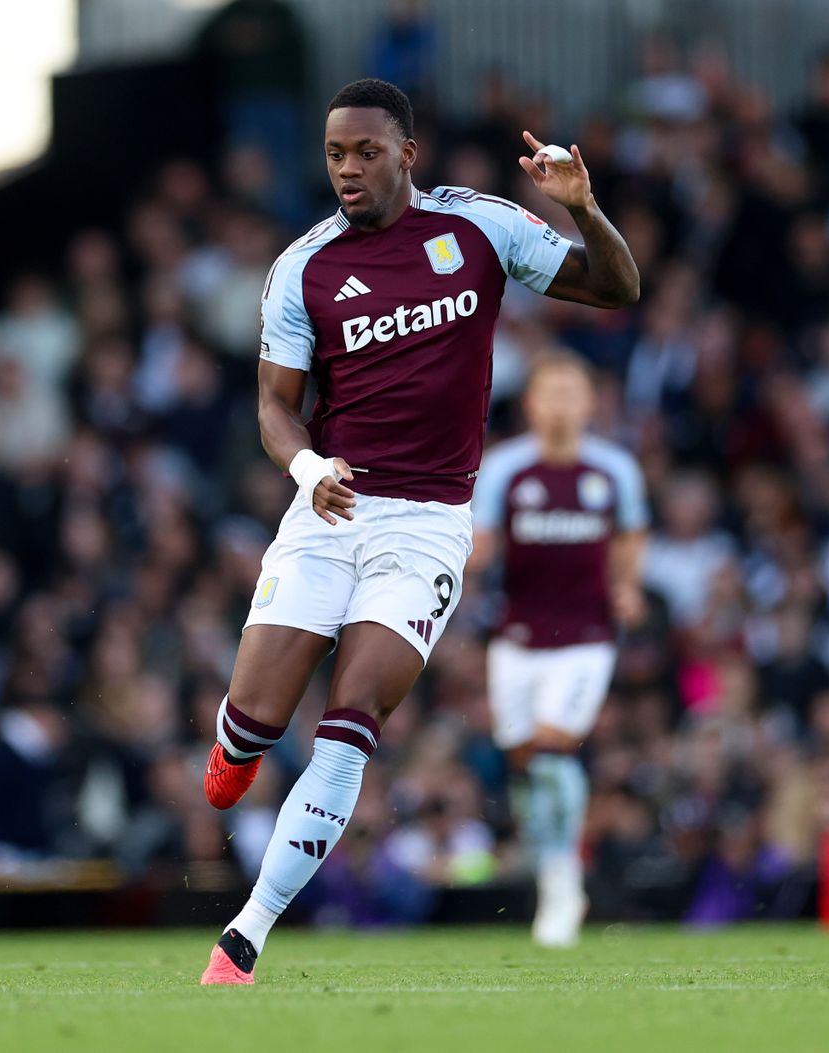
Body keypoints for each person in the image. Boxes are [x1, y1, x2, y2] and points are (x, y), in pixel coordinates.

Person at [198, 78, 639, 985]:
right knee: (254, 725)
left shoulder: (478, 229)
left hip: (429, 525)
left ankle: (245, 935)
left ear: (407, 153)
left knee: (348, 723)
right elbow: (276, 410)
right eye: (333, 155)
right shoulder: (303, 268)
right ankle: (236, 747)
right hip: (329, 510)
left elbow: (618, 287)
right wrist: (308, 468)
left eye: (364, 152)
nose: (347, 170)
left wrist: (583, 208)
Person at [470, 354, 647, 948]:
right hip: (517, 637)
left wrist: (626, 586)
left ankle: (562, 884)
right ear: (534, 404)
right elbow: (483, 543)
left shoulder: (614, 470)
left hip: (586, 637)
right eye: (554, 393)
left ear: (591, 403)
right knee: (524, 761)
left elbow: (630, 534)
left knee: (551, 750)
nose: (564, 404)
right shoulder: (504, 470)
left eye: (575, 392)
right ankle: (550, 862)